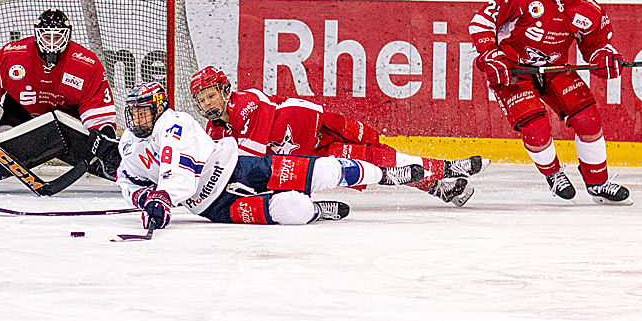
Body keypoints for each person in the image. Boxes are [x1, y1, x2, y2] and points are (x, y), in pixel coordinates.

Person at [96, 81, 455, 230]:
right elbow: (128, 180)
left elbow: (180, 175)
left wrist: (161, 197)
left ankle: (407, 173)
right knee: (287, 211)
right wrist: (144, 197)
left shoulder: (177, 124)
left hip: (291, 143)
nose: (138, 119)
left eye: (210, 95)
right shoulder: (135, 143)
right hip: (209, 206)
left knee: (341, 164)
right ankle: (315, 211)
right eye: (135, 113)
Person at [469, 0, 632, 205]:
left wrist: (604, 58)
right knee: (536, 130)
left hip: (555, 69)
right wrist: (491, 54)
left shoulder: (588, 10)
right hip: (514, 70)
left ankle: (599, 184)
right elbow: (481, 22)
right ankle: (554, 174)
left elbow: (596, 47)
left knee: (588, 120)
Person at [188, 66, 486, 206]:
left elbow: (247, 161)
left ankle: (444, 171)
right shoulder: (215, 130)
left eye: (210, 96)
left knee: (375, 148)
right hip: (308, 156)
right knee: (370, 164)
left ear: (226, 91)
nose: (206, 105)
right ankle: (442, 181)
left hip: (318, 126)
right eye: (201, 101)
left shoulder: (246, 103)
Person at [0, 8, 119, 193]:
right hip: (21, 111)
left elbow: (97, 108)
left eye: (58, 37)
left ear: (67, 36)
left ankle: (129, 170)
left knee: (96, 143)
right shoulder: (13, 55)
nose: (52, 44)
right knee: (6, 137)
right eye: (47, 37)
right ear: (37, 35)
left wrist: (104, 135)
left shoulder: (86, 64)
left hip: (67, 115)